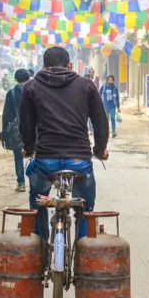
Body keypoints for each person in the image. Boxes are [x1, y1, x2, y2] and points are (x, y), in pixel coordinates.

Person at [20, 47, 110, 240]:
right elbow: (101, 122)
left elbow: (25, 126)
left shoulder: (31, 86)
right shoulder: (86, 85)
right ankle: (83, 250)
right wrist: (100, 150)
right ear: (69, 66)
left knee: (37, 204)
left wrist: (29, 148)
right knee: (85, 208)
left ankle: (41, 247)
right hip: (80, 161)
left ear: (43, 67)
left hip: (45, 161)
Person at [2, 69, 30, 192]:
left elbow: (6, 114)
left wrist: (4, 131)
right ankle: (40, 179)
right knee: (37, 155)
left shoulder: (11, 93)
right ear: (28, 78)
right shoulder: (34, 91)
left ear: (16, 79)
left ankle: (21, 183)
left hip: (16, 130)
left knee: (18, 156)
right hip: (32, 128)